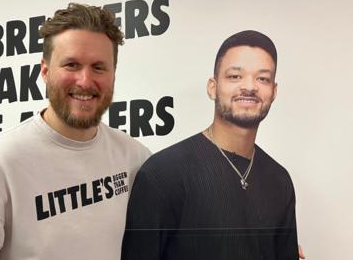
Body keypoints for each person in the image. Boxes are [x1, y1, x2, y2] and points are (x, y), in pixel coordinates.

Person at [0, 3, 150, 260]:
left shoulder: (135, 158)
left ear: (113, 74)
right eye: (71, 65)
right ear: (45, 72)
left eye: (99, 67)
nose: (84, 80)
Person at [121, 30, 300, 260]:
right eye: (235, 76)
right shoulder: (162, 174)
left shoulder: (279, 180)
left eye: (262, 78)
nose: (250, 86)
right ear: (212, 87)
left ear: (273, 91)